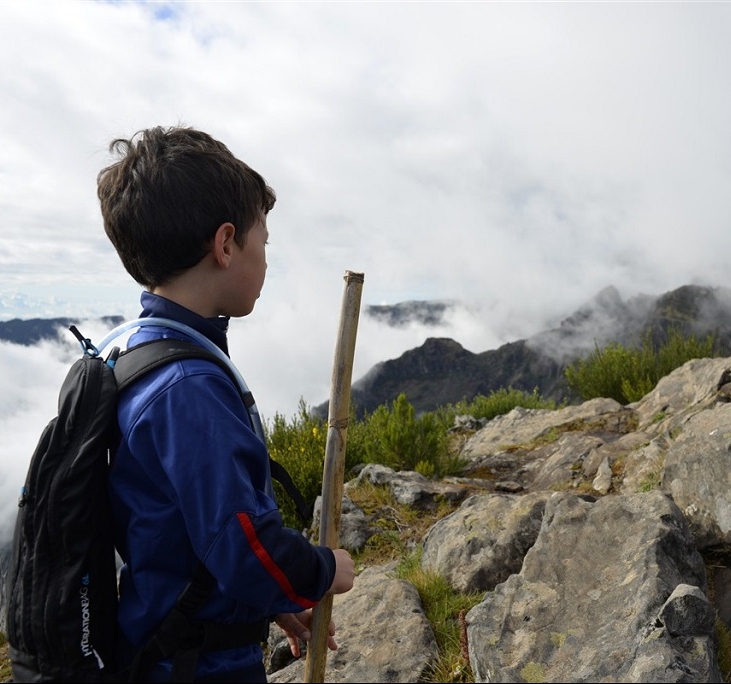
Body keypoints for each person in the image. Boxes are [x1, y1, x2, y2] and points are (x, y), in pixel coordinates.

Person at [97, 125, 356, 682]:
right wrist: (324, 569)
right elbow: (245, 549)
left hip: (172, 644)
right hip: (195, 665)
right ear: (225, 244)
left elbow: (189, 535)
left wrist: (269, 604)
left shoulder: (143, 352)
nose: (265, 259)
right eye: (263, 241)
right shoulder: (188, 389)